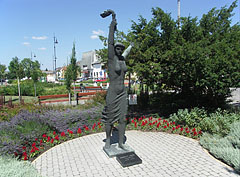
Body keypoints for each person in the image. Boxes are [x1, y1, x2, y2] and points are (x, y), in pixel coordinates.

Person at [101, 10, 133, 150]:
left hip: (122, 93)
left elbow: (127, 52)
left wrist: (131, 45)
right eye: (118, 48)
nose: (120, 50)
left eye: (122, 48)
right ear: (115, 49)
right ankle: (108, 140)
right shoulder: (111, 58)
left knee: (122, 119)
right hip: (113, 92)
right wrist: (112, 23)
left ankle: (120, 142)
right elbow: (110, 42)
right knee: (109, 118)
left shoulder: (122, 59)